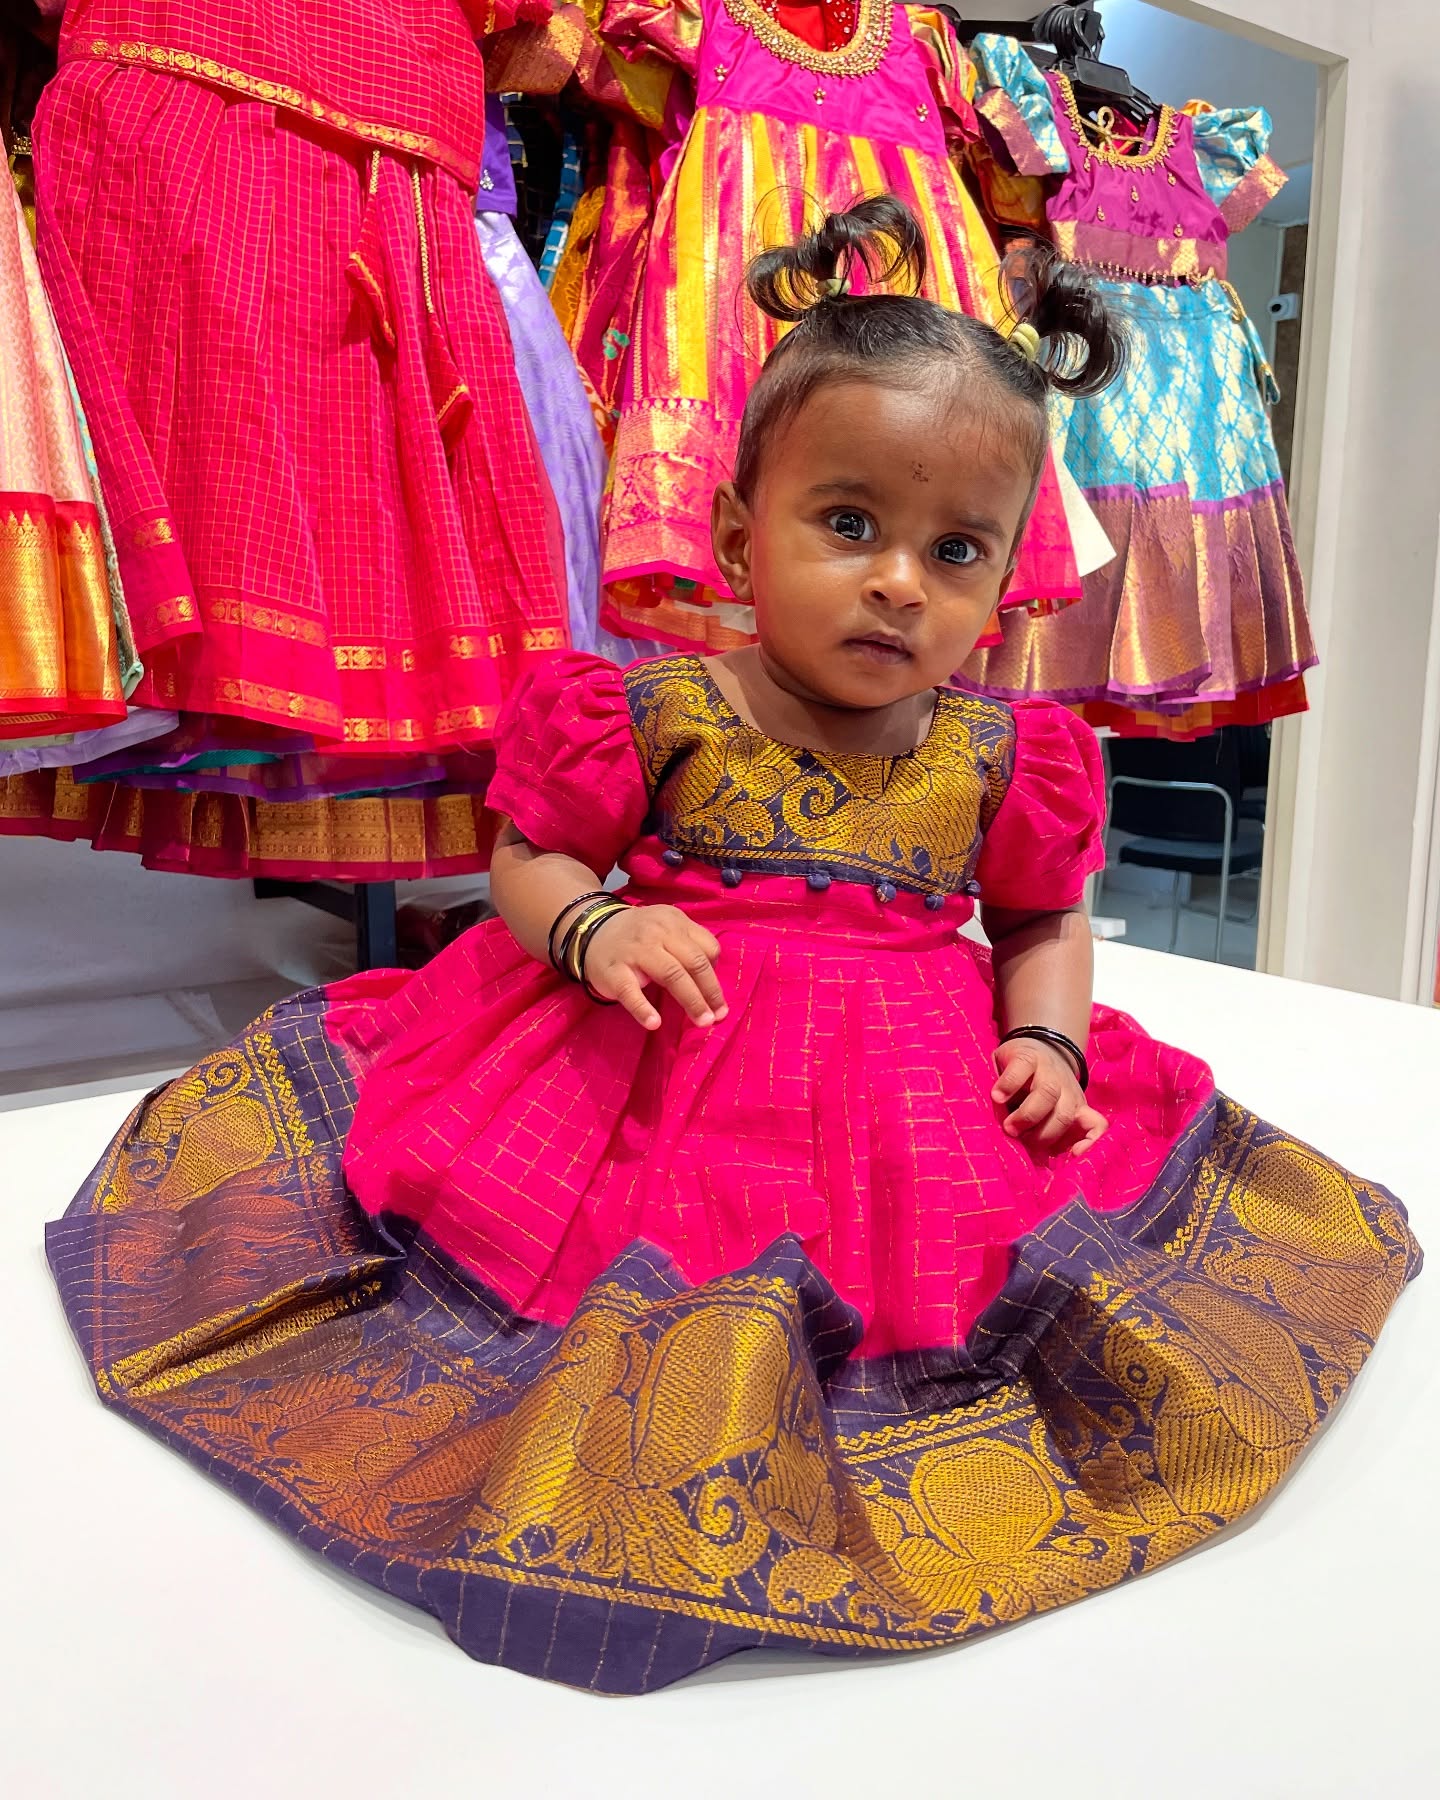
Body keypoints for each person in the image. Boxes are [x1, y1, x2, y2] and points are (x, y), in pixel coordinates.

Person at [48, 197, 1420, 1696]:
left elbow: (1041, 918)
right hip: (644, 1067)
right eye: (850, 526)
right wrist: (589, 921)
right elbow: (532, 851)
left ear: (1004, 575)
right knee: (604, 1261)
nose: (901, 580)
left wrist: (1045, 1038)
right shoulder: (656, 710)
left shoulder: (1004, 752)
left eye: (955, 549)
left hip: (910, 1105)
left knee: (969, 1282)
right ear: (733, 532)